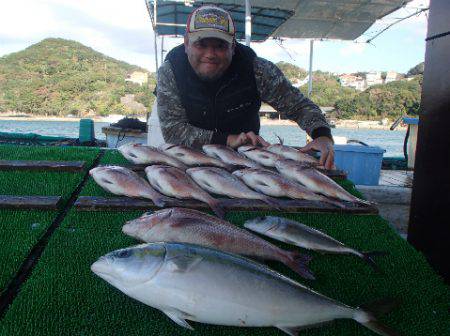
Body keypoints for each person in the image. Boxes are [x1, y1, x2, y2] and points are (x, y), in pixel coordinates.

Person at [156, 5, 335, 169]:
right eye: (201, 44)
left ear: (233, 46)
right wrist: (229, 140)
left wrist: (322, 135)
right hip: (187, 163)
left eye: (220, 46)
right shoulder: (170, 72)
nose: (210, 54)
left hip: (245, 163)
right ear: (186, 43)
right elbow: (173, 131)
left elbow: (299, 106)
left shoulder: (257, 70)